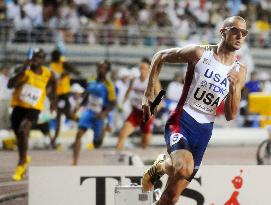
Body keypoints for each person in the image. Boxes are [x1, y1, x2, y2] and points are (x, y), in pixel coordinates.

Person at [141, 16, 247, 204]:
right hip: (182, 119)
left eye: (244, 33)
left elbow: (231, 115)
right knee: (184, 169)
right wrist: (149, 92)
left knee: (172, 197)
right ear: (223, 31)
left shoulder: (240, 70)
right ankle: (158, 166)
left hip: (204, 130)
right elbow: (159, 57)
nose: (240, 36)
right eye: (235, 31)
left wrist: (233, 88)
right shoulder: (199, 53)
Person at [8, 48, 56, 181]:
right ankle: (24, 158)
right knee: (20, 138)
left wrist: (53, 102)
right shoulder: (23, 70)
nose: (36, 59)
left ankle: (20, 164)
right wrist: (22, 70)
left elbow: (54, 85)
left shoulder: (47, 73)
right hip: (18, 107)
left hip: (34, 109)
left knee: (24, 131)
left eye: (39, 57)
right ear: (30, 57)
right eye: (34, 57)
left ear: (43, 59)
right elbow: (10, 85)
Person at [72, 60, 116, 165]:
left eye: (103, 68)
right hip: (89, 112)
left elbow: (113, 103)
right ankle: (74, 162)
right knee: (78, 134)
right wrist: (79, 106)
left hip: (99, 116)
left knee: (97, 143)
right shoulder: (91, 80)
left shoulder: (109, 85)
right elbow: (87, 94)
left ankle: (102, 132)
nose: (100, 69)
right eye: (99, 67)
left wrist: (103, 114)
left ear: (107, 71)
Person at [116, 57, 161, 150]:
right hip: (136, 112)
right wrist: (122, 103)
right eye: (140, 68)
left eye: (144, 68)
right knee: (122, 135)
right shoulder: (134, 80)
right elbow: (128, 92)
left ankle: (143, 161)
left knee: (145, 143)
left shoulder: (153, 80)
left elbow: (160, 96)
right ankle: (116, 161)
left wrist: (156, 109)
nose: (142, 70)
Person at [50, 49, 80, 148]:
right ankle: (54, 140)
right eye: (55, 57)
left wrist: (66, 73)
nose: (57, 59)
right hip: (57, 94)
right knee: (59, 116)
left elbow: (74, 70)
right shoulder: (52, 65)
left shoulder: (63, 62)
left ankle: (82, 123)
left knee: (67, 115)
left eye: (58, 57)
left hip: (64, 93)